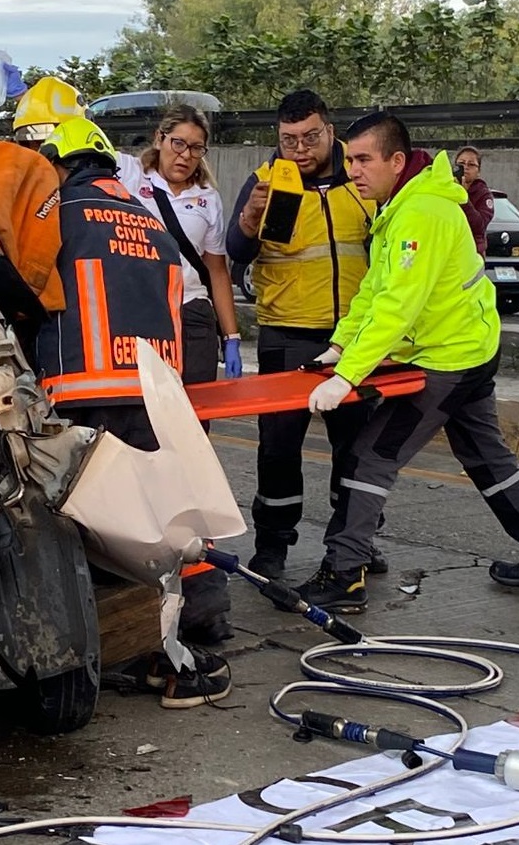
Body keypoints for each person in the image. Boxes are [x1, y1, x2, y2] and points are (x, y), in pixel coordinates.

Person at [299, 112, 519, 612]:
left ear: (397, 160)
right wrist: (340, 348)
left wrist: (346, 377)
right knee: (488, 459)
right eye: (349, 160)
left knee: (369, 456)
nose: (353, 171)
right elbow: (373, 292)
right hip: (467, 348)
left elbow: (398, 306)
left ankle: (344, 575)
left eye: (363, 160)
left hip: (447, 360)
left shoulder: (420, 214)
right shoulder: (400, 206)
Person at [34, 116, 230, 707]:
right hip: (152, 394)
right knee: (158, 518)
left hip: (81, 393)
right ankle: (180, 640)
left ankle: (110, 649)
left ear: (60, 164)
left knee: (86, 522)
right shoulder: (151, 221)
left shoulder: (58, 213)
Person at [225, 89, 379, 581]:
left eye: (310, 136)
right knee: (278, 449)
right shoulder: (267, 182)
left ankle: (355, 542)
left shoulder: (360, 179)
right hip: (287, 335)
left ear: (330, 131)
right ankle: (272, 547)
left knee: (356, 450)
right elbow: (236, 250)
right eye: (288, 139)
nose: (300, 148)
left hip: (356, 340)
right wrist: (250, 218)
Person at [114, 105, 244, 393]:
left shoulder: (208, 199)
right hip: (141, 313)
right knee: (145, 411)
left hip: (192, 315)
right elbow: (84, 147)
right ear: (159, 138)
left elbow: (217, 271)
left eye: (196, 148)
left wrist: (232, 337)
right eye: (178, 143)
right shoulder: (130, 174)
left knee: (196, 413)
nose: (185, 155)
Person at [454, 146, 494, 257]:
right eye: (461, 163)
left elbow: (479, 225)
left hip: (473, 254)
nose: (465, 167)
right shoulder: (447, 190)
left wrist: (462, 198)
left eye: (471, 164)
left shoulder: (484, 195)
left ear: (478, 171)